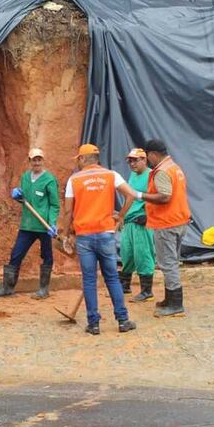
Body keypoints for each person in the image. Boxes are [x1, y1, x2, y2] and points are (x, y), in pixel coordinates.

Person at [58, 144, 140, 335]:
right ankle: (122, 320)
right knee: (112, 277)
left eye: (78, 159)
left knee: (89, 280)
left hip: (84, 236)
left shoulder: (74, 180)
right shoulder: (111, 175)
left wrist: (66, 233)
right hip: (106, 234)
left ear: (82, 159)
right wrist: (120, 217)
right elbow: (131, 195)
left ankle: (93, 324)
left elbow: (69, 210)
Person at [0, 147, 60, 299]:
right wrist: (18, 196)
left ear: (42, 161)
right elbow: (24, 199)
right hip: (27, 225)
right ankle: (7, 288)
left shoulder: (49, 179)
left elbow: (54, 204)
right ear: (29, 161)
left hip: (43, 225)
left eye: (39, 159)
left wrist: (52, 223)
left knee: (46, 255)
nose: (37, 162)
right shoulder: (25, 177)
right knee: (16, 254)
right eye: (34, 159)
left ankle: (44, 289)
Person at [140, 139, 192, 318]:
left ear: (153, 154)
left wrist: (142, 195)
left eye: (148, 156)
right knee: (172, 262)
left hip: (166, 223)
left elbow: (164, 197)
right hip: (179, 221)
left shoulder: (162, 171)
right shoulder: (174, 167)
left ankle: (176, 304)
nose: (148, 160)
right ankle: (170, 299)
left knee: (168, 263)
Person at [116, 148, 156, 303]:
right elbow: (130, 197)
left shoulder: (151, 175)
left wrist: (148, 215)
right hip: (129, 220)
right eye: (130, 161)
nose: (132, 164)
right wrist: (122, 215)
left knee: (143, 254)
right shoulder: (133, 175)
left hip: (142, 221)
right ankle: (124, 285)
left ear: (144, 160)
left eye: (135, 160)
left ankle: (147, 291)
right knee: (127, 253)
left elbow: (157, 197)